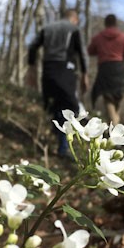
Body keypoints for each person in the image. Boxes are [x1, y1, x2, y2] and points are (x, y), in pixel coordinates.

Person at [26, 9, 89, 158]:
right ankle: (63, 146)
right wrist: (85, 74)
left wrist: (31, 67)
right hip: (65, 69)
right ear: (74, 19)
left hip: (48, 70)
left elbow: (33, 46)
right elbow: (82, 52)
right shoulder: (74, 29)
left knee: (54, 105)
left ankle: (60, 142)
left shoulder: (47, 28)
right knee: (69, 106)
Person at [87, 14, 124, 125]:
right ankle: (115, 125)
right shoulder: (123, 37)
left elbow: (89, 51)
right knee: (118, 96)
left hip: (105, 70)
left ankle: (114, 125)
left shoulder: (98, 37)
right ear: (115, 23)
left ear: (105, 23)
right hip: (119, 69)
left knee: (108, 98)